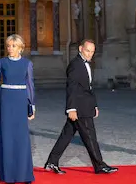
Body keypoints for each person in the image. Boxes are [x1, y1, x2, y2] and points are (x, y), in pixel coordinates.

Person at [44, 39, 118, 175]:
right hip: (79, 109)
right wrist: (71, 108)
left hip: (85, 106)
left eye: (92, 52)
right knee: (90, 136)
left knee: (66, 135)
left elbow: (88, 88)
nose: (90, 54)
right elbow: (71, 88)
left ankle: (52, 161)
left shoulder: (86, 65)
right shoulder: (75, 65)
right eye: (87, 51)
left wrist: (94, 105)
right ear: (80, 49)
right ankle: (99, 165)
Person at [0, 34, 36, 184]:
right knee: (7, 137)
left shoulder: (27, 63)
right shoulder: (1, 63)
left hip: (21, 101)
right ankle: (8, 175)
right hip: (7, 101)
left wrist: (31, 105)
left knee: (22, 138)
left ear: (20, 48)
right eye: (8, 45)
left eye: (13, 46)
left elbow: (30, 86)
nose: (10, 48)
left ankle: (24, 175)